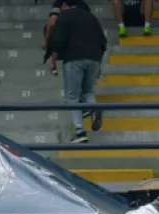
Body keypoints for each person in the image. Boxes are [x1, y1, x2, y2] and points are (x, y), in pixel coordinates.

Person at [49, 0, 107, 144]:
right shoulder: (91, 17)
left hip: (74, 59)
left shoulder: (65, 16)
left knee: (72, 97)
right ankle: (93, 107)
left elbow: (58, 39)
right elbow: (102, 41)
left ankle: (80, 131)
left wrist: (53, 61)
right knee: (87, 91)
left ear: (64, 5)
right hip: (94, 59)